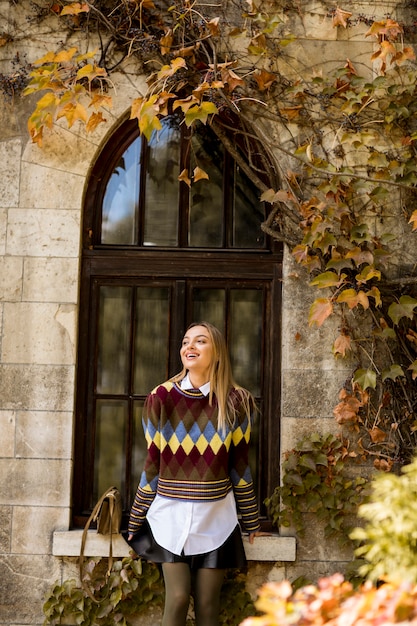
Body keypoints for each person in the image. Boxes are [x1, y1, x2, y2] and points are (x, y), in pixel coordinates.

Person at [127, 322, 265, 626]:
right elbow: (151, 466)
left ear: (216, 353)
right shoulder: (160, 398)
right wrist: (135, 520)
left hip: (217, 518)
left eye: (200, 341)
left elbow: (239, 466)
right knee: (176, 599)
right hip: (169, 517)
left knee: (207, 604)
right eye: (186, 341)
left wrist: (251, 519)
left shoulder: (236, 401)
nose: (189, 347)